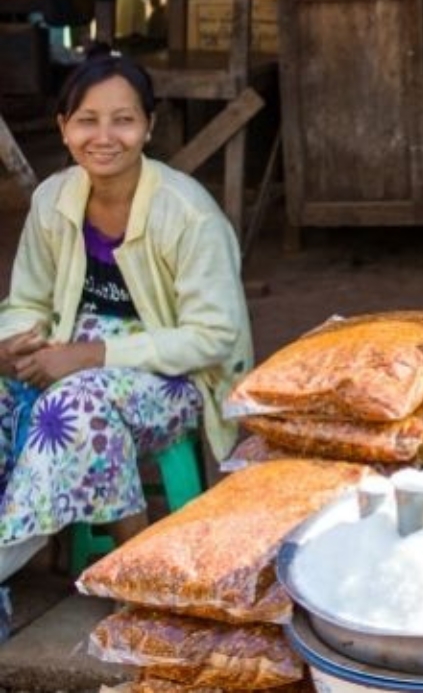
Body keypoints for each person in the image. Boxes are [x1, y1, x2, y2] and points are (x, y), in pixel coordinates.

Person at [0, 52, 253, 584]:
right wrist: (13, 343)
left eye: (124, 119)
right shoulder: (53, 200)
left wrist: (91, 356)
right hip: (72, 356)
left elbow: (213, 336)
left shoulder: (187, 215)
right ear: (63, 129)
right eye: (87, 120)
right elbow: (27, 300)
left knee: (75, 407)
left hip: (179, 379)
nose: (104, 136)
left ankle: (132, 571)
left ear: (148, 127)